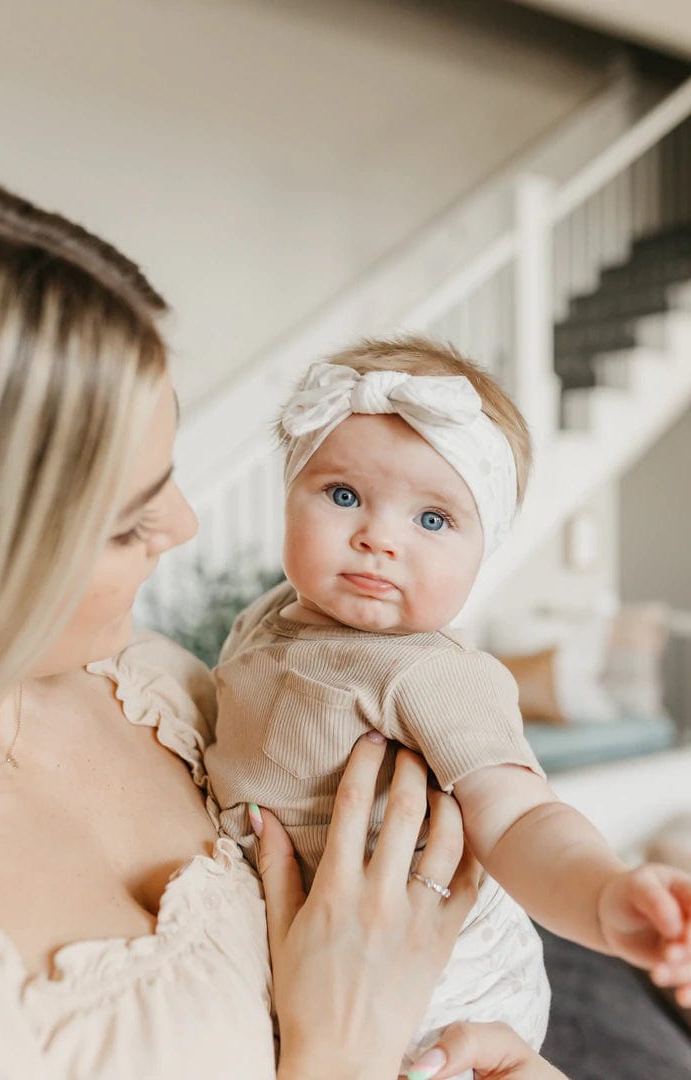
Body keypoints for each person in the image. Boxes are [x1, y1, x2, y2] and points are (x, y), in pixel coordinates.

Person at [0, 174, 572, 1080]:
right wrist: (341, 1051)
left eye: (169, 476)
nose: (185, 527)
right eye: (127, 517)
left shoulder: (166, 684)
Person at [205, 339, 691, 1071]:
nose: (378, 538)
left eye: (432, 520)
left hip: (440, 997)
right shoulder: (270, 617)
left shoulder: (431, 676)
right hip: (316, 961)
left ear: (482, 550)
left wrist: (602, 896)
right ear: (290, 494)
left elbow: (522, 816)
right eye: (344, 496)